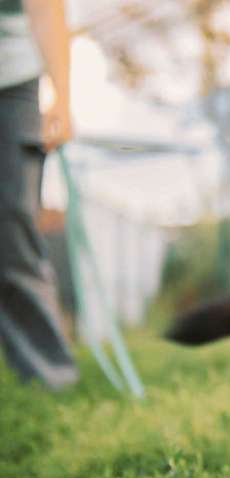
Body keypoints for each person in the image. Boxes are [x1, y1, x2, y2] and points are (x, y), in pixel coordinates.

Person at [0, 0, 78, 388]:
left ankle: (48, 378)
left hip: (11, 80)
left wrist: (61, 94)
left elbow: (44, 6)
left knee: (12, 226)